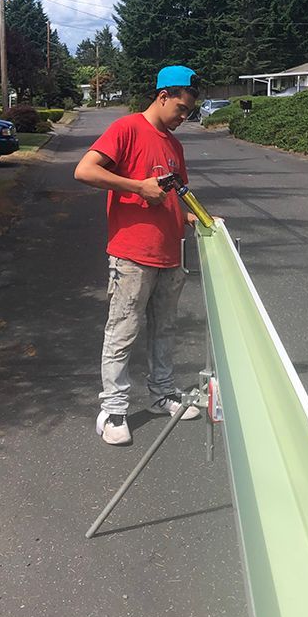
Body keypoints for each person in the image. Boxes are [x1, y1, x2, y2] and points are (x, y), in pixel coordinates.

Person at [73, 65, 203, 445]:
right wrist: (136, 187)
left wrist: (196, 218)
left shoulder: (174, 146)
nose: (184, 117)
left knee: (165, 329)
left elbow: (175, 197)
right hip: (131, 256)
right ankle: (113, 411)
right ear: (162, 96)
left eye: (189, 111)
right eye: (180, 108)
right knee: (122, 332)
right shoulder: (127, 128)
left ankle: (162, 393)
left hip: (170, 255)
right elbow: (84, 171)